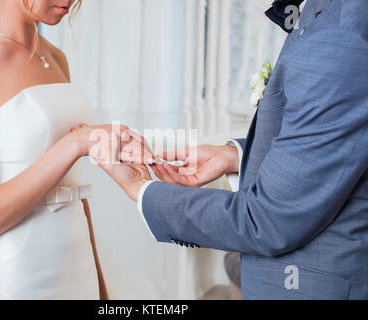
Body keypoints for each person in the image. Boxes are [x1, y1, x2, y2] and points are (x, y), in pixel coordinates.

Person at [97, 0, 368, 299]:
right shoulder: (327, 12)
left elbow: (267, 220)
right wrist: (236, 156)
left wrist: (142, 189)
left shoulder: (342, 35)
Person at [0, 0, 151, 299]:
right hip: (14, 275)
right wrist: (76, 144)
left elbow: (72, 186)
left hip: (75, 265)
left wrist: (100, 287)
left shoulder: (55, 57)